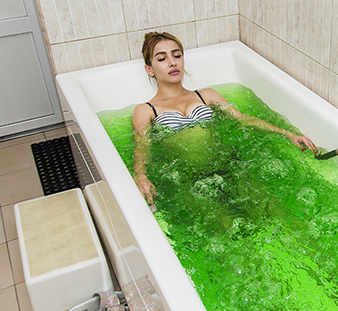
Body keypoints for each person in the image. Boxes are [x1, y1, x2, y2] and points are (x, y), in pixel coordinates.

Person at [131, 31, 318, 204]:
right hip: (188, 176)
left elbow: (243, 119)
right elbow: (142, 147)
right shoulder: (146, 110)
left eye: (177, 55)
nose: (172, 62)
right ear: (149, 69)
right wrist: (141, 176)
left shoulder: (206, 95)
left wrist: (287, 133)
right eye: (162, 58)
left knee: (269, 206)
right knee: (226, 223)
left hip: (227, 164)